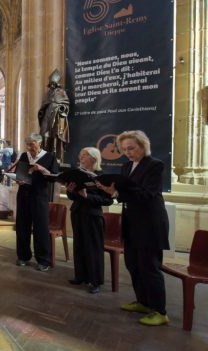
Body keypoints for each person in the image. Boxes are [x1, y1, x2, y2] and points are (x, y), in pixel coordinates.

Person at [97, 130, 169, 326]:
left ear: (143, 146)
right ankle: (144, 302)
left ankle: (160, 311)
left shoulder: (155, 165)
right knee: (133, 264)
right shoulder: (127, 166)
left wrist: (118, 193)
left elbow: (147, 194)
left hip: (150, 223)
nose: (128, 152)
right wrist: (111, 191)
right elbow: (126, 191)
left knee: (150, 267)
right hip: (132, 221)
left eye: (131, 148)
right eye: (124, 149)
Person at [64, 147, 112, 293]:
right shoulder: (79, 174)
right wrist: (70, 190)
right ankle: (81, 276)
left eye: (84, 155)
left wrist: (87, 196)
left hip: (93, 215)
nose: (81, 158)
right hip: (77, 212)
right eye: (80, 155)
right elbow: (72, 197)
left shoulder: (102, 177)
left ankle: (95, 281)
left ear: (93, 158)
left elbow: (107, 200)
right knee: (79, 245)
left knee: (93, 248)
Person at [15, 133, 58, 271]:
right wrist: (18, 179)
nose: (29, 147)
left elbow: (53, 177)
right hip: (23, 195)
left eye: (32, 145)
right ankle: (23, 256)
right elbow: (19, 173)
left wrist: (42, 169)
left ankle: (43, 260)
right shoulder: (24, 156)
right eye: (27, 145)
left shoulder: (49, 157)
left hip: (39, 196)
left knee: (41, 228)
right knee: (22, 226)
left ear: (39, 143)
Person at [38, 70, 70, 164]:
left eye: (53, 83)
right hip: (46, 116)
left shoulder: (61, 92)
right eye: (51, 83)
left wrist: (61, 108)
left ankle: (56, 158)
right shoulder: (47, 93)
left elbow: (66, 103)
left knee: (55, 137)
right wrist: (42, 110)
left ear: (57, 83)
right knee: (44, 135)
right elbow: (43, 105)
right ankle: (44, 155)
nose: (52, 85)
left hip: (56, 117)